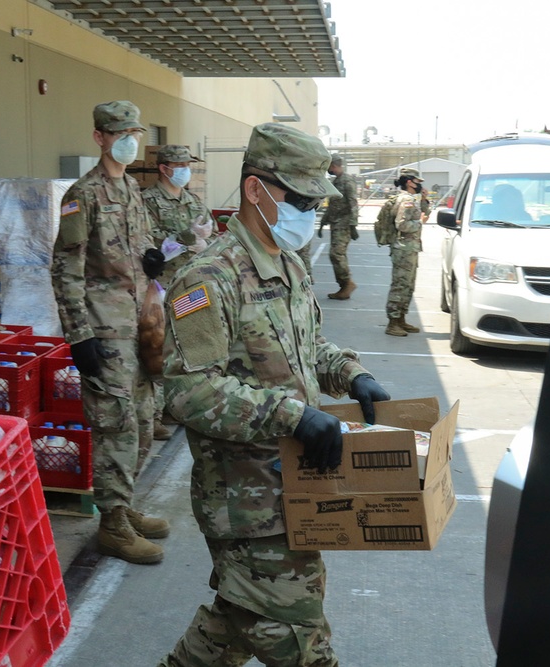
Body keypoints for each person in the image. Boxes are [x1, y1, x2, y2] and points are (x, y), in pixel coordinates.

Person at [157, 123, 391, 666]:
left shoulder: (289, 264)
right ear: (256, 190)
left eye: (317, 201)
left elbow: (305, 346)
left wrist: (349, 373)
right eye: (303, 199)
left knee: (235, 625)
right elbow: (188, 391)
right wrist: (292, 415)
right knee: (297, 639)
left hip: (293, 488)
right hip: (246, 502)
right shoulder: (207, 279)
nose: (312, 212)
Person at [51, 100, 169, 565]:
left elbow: (140, 247)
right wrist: (79, 336)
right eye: (120, 133)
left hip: (140, 324)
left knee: (143, 421)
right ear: (99, 137)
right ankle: (112, 525)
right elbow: (66, 268)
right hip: (105, 330)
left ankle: (124, 504)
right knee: (116, 425)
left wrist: (154, 259)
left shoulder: (132, 191)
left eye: (134, 133)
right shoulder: (84, 195)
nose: (129, 140)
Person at [141, 144, 216, 440]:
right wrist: (187, 237)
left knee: (186, 346)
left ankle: (176, 407)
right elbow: (147, 243)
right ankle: (154, 415)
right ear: (164, 168)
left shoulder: (193, 201)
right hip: (160, 286)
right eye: (180, 164)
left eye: (188, 164)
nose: (186, 169)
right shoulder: (147, 202)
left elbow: (212, 232)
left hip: (190, 285)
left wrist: (207, 244)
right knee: (156, 348)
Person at [385, 167, 425, 337]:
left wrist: (425, 201)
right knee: (400, 285)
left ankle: (401, 318)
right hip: (403, 249)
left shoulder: (412, 199)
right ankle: (392, 322)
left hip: (410, 249)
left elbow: (423, 213)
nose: (419, 185)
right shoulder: (405, 200)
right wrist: (420, 223)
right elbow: (401, 224)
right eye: (417, 182)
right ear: (409, 182)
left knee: (408, 286)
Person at [320, 154, 360, 300]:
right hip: (336, 223)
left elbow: (353, 203)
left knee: (336, 254)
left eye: (329, 167)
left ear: (334, 165)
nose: (328, 170)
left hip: (344, 223)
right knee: (335, 255)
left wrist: (353, 224)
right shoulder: (336, 181)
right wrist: (323, 221)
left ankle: (347, 284)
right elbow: (333, 204)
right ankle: (344, 285)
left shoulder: (347, 181)